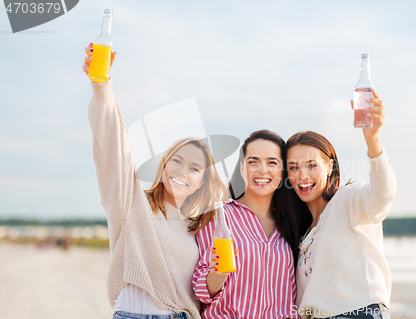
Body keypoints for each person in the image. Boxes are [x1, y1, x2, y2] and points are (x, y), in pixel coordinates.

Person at [82, 43, 228, 319]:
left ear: (202, 181)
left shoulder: (196, 227)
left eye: (194, 167)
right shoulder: (131, 203)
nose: (182, 171)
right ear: (163, 166)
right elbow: (114, 151)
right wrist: (102, 88)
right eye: (176, 161)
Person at [286, 91, 396, 319]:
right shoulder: (304, 233)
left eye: (311, 165)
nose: (302, 175)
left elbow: (381, 198)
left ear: (329, 167)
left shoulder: (347, 200)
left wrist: (372, 142)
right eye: (294, 167)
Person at [192, 130, 300, 319]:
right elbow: (201, 291)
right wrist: (218, 272)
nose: (262, 170)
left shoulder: (291, 223)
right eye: (253, 161)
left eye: (272, 162)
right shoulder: (218, 216)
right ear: (242, 168)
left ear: (283, 171)